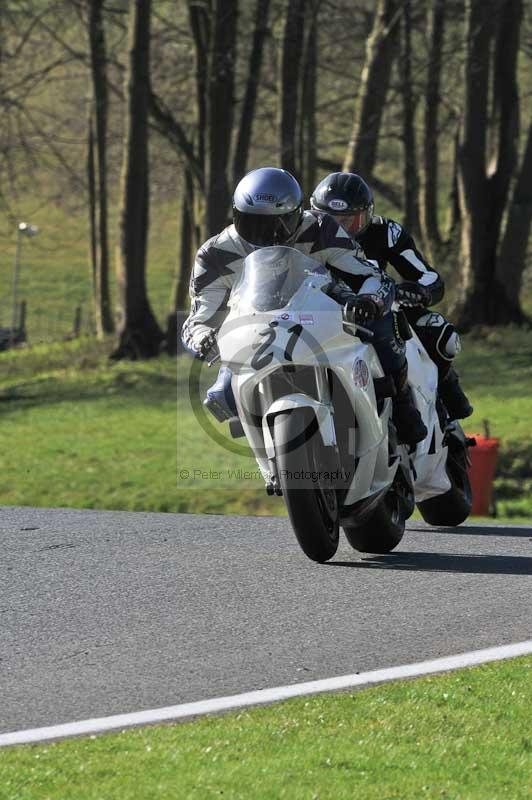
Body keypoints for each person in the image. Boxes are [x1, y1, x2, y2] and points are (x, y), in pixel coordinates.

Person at [182, 166, 428, 445]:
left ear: (297, 214)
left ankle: (402, 402)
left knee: (383, 326)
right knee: (222, 394)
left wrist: (368, 301)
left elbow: (370, 275)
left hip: (324, 311)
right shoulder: (215, 253)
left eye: (278, 224)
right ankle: (269, 450)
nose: (267, 235)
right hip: (257, 332)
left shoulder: (322, 229)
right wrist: (204, 339)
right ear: (236, 215)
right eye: (253, 223)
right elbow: (198, 316)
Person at [310, 172, 473, 420]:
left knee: (441, 334)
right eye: (331, 222)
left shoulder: (386, 232)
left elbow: (429, 278)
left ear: (368, 216)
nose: (340, 231)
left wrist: (420, 291)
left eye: (349, 221)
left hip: (379, 308)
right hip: (319, 313)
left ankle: (446, 400)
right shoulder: (302, 235)